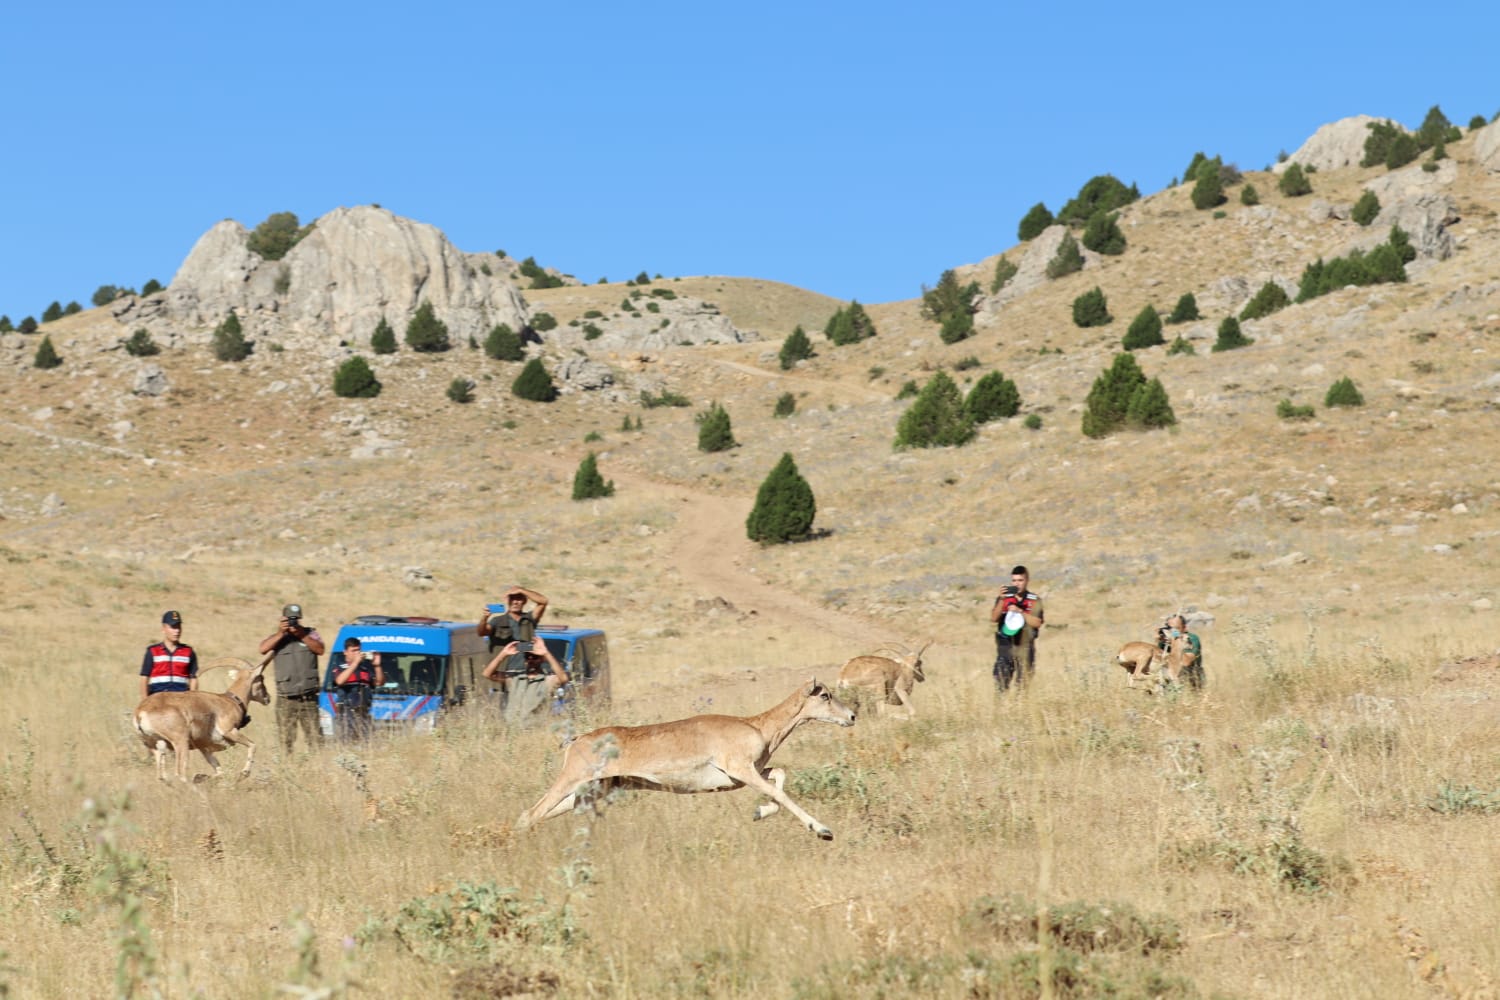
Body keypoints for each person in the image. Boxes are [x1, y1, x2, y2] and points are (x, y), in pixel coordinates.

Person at [258, 602, 326, 755]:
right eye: (289, 619)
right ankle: (287, 768)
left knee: (315, 738)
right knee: (285, 740)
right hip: (286, 699)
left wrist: (302, 635)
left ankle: (318, 768)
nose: (292, 622)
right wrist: (281, 633)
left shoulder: (310, 633)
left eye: (295, 619)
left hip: (309, 698)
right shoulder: (277, 638)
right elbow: (262, 648)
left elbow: (320, 649)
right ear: (283, 619)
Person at [483, 638, 568, 726]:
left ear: (542, 659)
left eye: (535, 657)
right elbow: (488, 674)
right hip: (510, 730)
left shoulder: (547, 681)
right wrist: (503, 654)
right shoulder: (514, 678)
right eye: (527, 657)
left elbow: (563, 678)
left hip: (532, 733)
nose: (530, 660)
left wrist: (546, 653)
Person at [990, 565, 1045, 692]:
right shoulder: (1004, 599)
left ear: (1026, 581)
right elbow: (994, 618)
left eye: (1020, 580)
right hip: (1006, 646)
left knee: (1023, 686)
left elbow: (1037, 622)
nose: (1017, 584)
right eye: (1014, 581)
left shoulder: (1034, 600)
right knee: (1001, 684)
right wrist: (1002, 601)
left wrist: (1020, 611)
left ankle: (1020, 709)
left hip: (1025, 646)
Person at [478, 585, 548, 676]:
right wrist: (484, 618)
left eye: (519, 599)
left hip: (526, 671)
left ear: (524, 601)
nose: (515, 602)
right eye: (512, 599)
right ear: (508, 601)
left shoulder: (529, 619)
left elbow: (543, 601)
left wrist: (521, 590)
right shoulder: (498, 621)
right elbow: (481, 632)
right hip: (502, 671)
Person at [331, 637, 384, 740]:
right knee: (347, 743)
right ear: (345, 652)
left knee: (366, 743)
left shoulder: (365, 668)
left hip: (363, 712)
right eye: (353, 651)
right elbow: (339, 681)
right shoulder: (340, 667)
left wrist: (377, 666)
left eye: (358, 650)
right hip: (346, 712)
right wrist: (355, 663)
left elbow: (379, 682)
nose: (356, 653)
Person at [140, 609, 199, 698]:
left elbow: (193, 678)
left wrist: (192, 699)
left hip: (181, 699)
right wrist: (144, 701)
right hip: (157, 699)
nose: (177, 631)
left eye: (179, 627)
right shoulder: (153, 651)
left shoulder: (188, 652)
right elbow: (144, 678)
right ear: (163, 628)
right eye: (173, 627)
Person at [1162, 614, 1204, 690]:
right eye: (1170, 629)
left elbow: (1186, 662)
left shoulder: (1191, 639)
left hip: (1190, 678)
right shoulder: (1165, 641)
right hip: (1171, 678)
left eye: (1176, 629)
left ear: (1184, 628)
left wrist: (1176, 644)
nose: (1173, 631)